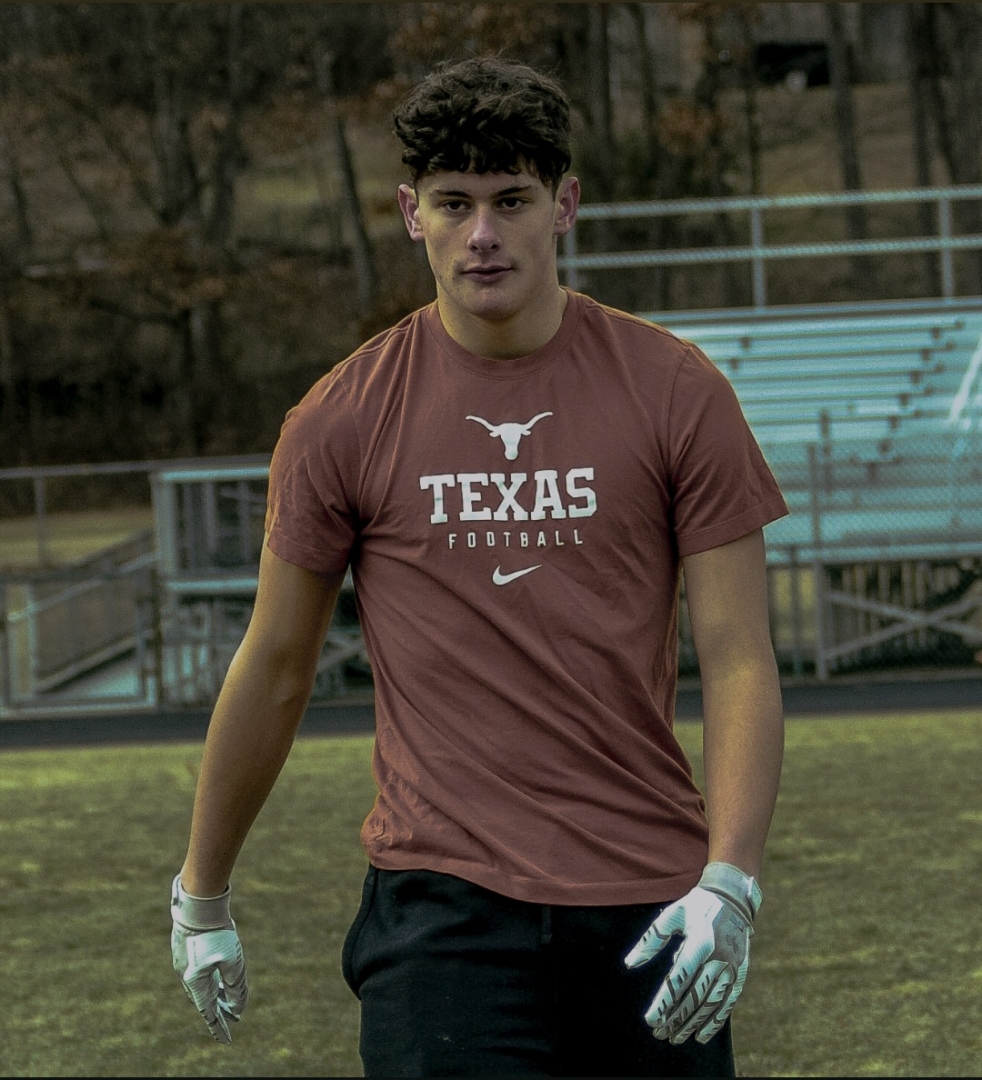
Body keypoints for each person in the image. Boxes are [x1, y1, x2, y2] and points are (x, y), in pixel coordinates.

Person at [170, 56, 787, 1078]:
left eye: (512, 200)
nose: (483, 234)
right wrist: (202, 894)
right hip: (440, 920)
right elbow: (275, 663)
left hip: (648, 902)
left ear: (565, 205)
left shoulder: (678, 392)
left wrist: (731, 881)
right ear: (411, 212)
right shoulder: (342, 417)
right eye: (454, 203)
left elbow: (737, 656)